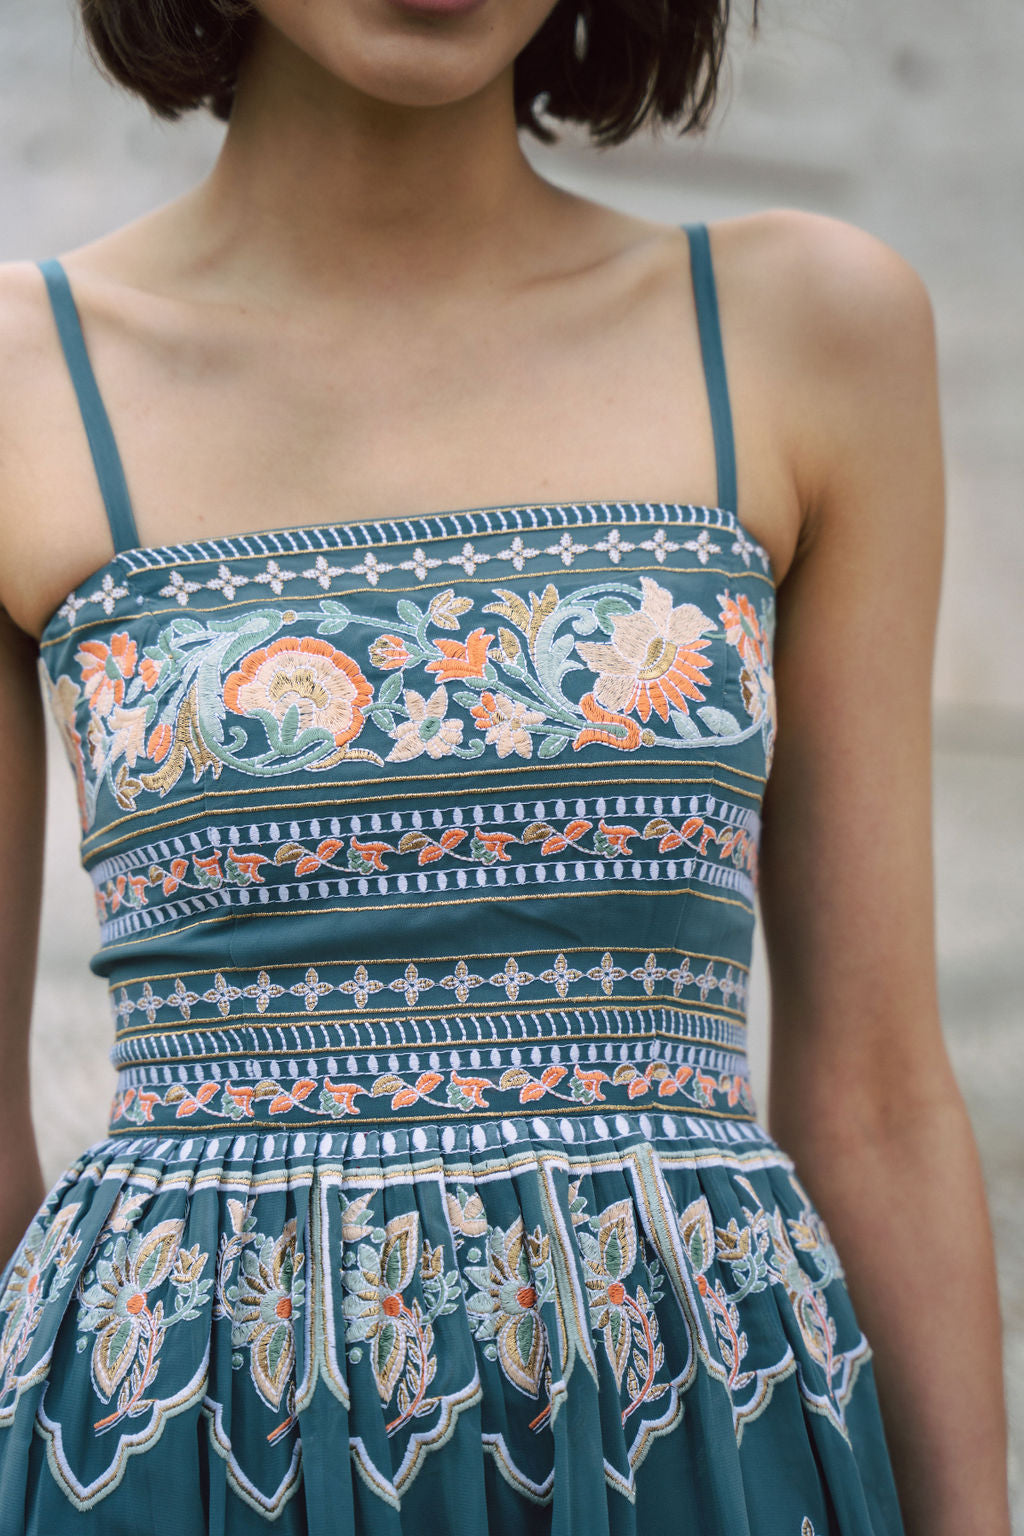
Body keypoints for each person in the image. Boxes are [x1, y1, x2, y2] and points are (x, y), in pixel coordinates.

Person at [0, 0, 1012, 1531]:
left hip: (699, 1445)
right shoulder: (24, 378)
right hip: (182, 1456)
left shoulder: (807, 327)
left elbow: (871, 1093)